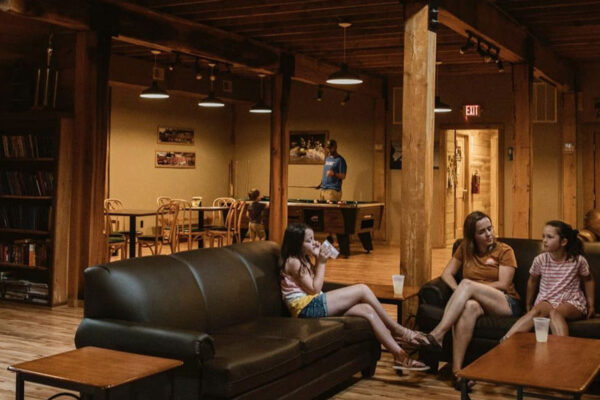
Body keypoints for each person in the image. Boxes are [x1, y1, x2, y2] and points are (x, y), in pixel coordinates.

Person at [280, 222, 430, 371]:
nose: (314, 243)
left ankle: (399, 354)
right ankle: (399, 330)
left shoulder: (303, 258)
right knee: (363, 289)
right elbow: (314, 288)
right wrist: (321, 262)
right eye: (308, 240)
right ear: (296, 243)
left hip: (313, 303)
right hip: (305, 309)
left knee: (367, 311)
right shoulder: (293, 262)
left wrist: (317, 258)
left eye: (313, 238)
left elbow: (314, 287)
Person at [421, 211, 520, 390]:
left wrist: (470, 288)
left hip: (505, 302)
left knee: (467, 284)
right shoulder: (465, 249)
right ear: (472, 236)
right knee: (468, 307)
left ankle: (438, 334)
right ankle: (458, 373)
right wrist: (461, 292)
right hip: (477, 301)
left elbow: (504, 284)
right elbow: (447, 274)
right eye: (482, 232)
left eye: (490, 229)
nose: (489, 234)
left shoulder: (505, 251)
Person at [502, 220, 595, 340]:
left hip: (571, 301)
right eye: (543, 236)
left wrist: (591, 304)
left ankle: (564, 351)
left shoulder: (577, 260)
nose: (544, 240)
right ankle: (505, 341)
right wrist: (529, 303)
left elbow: (588, 280)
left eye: (550, 237)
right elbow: (532, 280)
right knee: (535, 312)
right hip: (547, 299)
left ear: (563, 242)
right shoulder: (540, 260)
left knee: (555, 314)